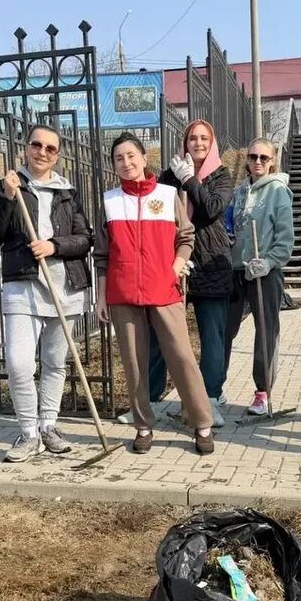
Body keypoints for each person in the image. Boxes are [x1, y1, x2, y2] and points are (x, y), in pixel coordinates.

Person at [94, 133, 215, 455]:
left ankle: (202, 422)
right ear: (113, 164)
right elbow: (102, 255)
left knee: (181, 357)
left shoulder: (167, 194)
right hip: (122, 293)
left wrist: (173, 270)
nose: (126, 162)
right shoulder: (109, 201)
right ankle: (143, 425)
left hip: (164, 290)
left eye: (131, 155)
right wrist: (101, 297)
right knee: (134, 363)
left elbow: (186, 237)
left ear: (144, 158)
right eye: (119, 158)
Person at [0, 125, 91, 463]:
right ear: (26, 148)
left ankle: (49, 426)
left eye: (50, 148)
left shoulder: (67, 192)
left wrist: (53, 245)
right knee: (18, 364)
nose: (43, 152)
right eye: (37, 145)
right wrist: (6, 196)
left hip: (64, 288)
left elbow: (85, 239)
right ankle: (29, 433)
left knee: (55, 363)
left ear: (58, 155)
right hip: (23, 286)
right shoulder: (12, 186)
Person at [144, 119, 234, 427]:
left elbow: (211, 208)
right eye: (192, 138)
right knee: (161, 333)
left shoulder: (221, 175)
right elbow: (157, 211)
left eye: (204, 138)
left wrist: (190, 181)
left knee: (212, 336)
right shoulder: (170, 175)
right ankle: (151, 400)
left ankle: (210, 400)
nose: (198, 143)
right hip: (174, 263)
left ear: (212, 143)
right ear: (185, 142)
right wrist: (173, 179)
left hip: (211, 264)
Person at [224, 137, 295, 416]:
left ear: (272, 161)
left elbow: (285, 238)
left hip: (264, 271)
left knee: (265, 331)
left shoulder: (278, 191)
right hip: (236, 270)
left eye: (263, 157)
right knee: (224, 330)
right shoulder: (239, 191)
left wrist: (269, 261)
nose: (257, 162)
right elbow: (230, 226)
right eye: (253, 157)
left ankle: (263, 392)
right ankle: (214, 389)